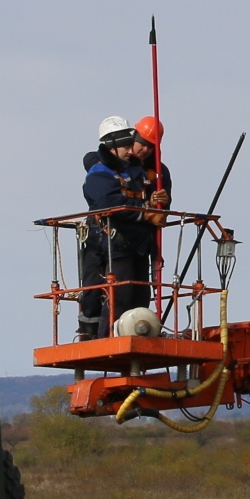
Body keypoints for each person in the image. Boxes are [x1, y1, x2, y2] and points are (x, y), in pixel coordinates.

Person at [77, 116, 151, 339]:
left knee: (140, 295)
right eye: (125, 146)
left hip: (137, 244)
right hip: (113, 244)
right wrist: (145, 212)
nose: (131, 151)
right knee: (118, 296)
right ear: (111, 146)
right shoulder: (99, 174)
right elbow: (108, 202)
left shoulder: (133, 172)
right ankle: (105, 339)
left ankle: (134, 336)